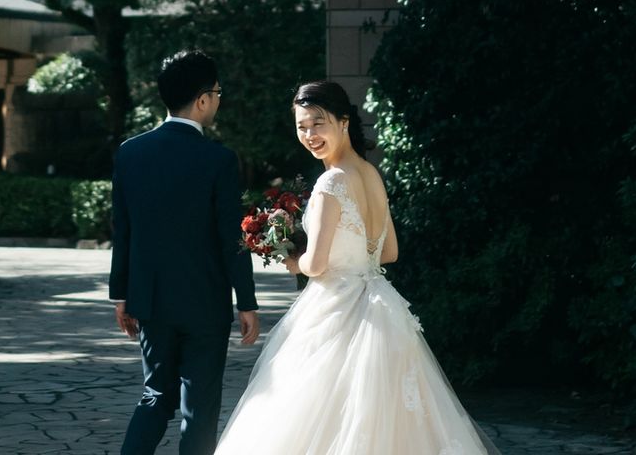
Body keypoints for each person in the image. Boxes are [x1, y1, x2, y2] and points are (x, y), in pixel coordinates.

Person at [215, 80, 501, 455]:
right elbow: (389, 251)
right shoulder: (370, 173)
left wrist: (291, 259)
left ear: (344, 122)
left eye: (318, 123)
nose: (310, 135)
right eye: (302, 126)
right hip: (382, 305)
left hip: (336, 307)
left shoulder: (330, 182)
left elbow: (316, 264)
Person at [110, 49, 260, 455]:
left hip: (151, 300)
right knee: (200, 406)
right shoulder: (219, 160)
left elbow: (123, 231)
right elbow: (231, 238)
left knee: (156, 395)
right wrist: (246, 301)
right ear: (203, 99)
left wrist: (121, 295)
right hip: (205, 302)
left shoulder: (130, 152)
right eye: (217, 92)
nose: (218, 100)